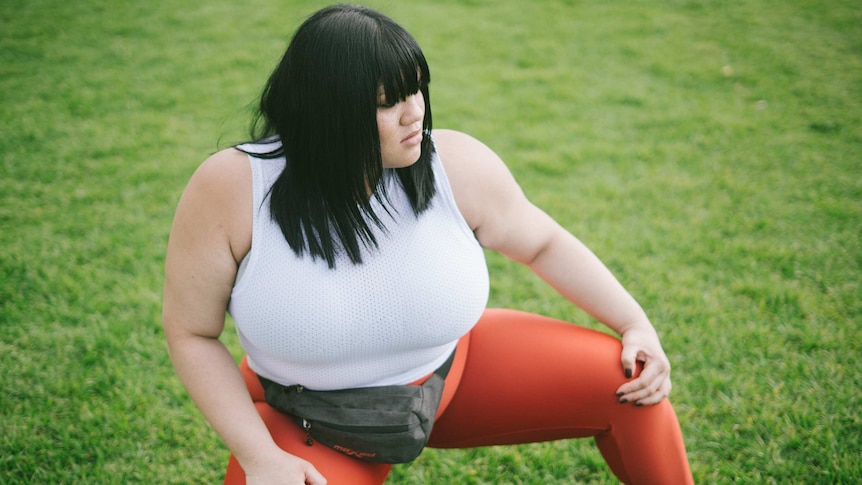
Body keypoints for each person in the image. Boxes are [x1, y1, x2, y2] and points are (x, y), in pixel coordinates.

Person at [162, 4, 694, 484]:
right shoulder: (232, 188)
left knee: (631, 383)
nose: (414, 112)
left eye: (416, 88)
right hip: (312, 419)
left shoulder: (455, 164)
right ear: (327, 114)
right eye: (387, 102)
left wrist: (633, 323)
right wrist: (260, 456)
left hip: (452, 372)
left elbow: (543, 243)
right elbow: (191, 333)